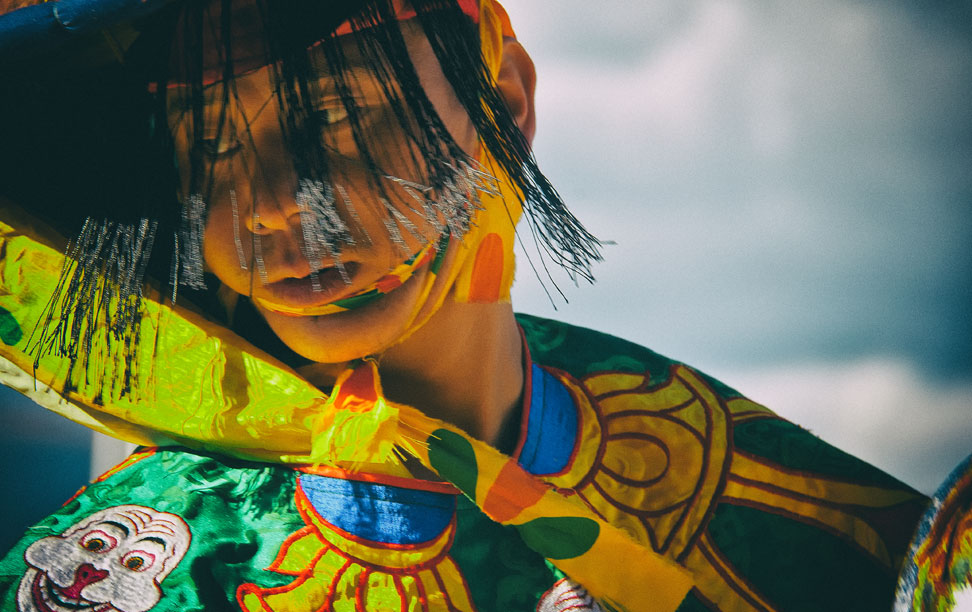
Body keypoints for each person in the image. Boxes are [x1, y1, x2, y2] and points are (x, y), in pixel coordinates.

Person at [0, 0, 928, 610]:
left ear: (508, 100)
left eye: (333, 115)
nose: (273, 205)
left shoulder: (774, 504)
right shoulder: (131, 577)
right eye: (207, 149)